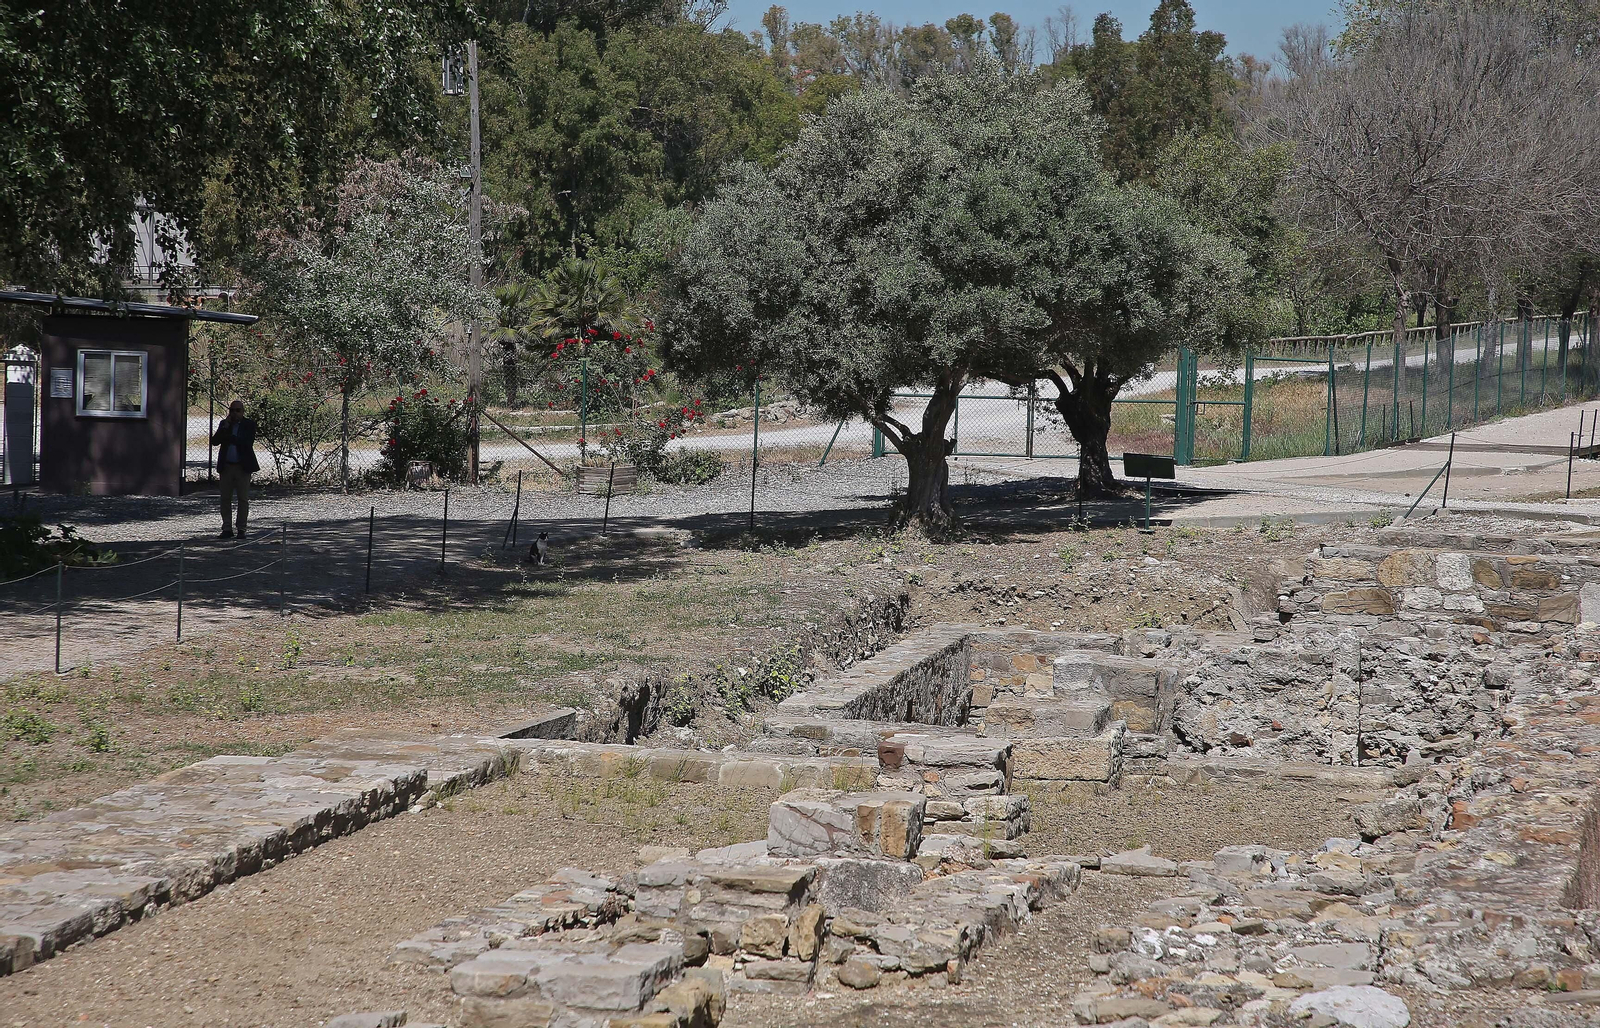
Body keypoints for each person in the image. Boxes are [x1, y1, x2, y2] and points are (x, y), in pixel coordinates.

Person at [211, 399, 259, 539]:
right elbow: (215, 441)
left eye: (237, 410)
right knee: (225, 498)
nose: (234, 413)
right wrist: (225, 428)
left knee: (243, 499)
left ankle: (241, 529)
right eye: (232, 410)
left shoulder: (249, 424)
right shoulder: (224, 424)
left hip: (242, 467)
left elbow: (246, 442)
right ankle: (227, 528)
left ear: (243, 412)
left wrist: (230, 437)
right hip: (226, 466)